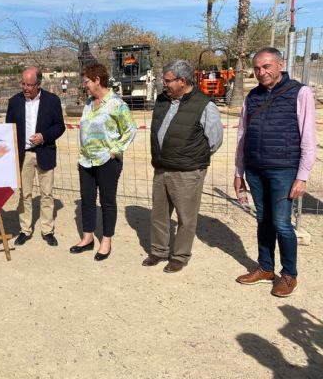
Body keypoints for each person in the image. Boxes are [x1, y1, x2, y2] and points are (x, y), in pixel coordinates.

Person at [234, 47, 316, 297]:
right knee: (263, 221)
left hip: (284, 170)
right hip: (255, 169)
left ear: (280, 65)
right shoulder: (252, 97)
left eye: (267, 66)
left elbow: (308, 139)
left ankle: (289, 275)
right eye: (257, 68)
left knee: (281, 223)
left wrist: (302, 176)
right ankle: (265, 268)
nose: (261, 72)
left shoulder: (300, 92)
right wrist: (239, 171)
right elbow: (241, 136)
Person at [142, 59, 223, 273]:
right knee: (159, 214)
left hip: (187, 172)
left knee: (186, 217)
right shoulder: (162, 100)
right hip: (161, 168)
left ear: (182, 81)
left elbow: (215, 140)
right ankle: (158, 251)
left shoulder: (205, 105)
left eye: (168, 81)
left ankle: (180, 255)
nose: (164, 84)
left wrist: (191, 158)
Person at [69, 63, 137, 260]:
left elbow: (130, 129)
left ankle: (106, 240)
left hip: (107, 161)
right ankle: (87, 237)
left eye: (87, 82)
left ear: (98, 80)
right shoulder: (89, 104)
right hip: (86, 161)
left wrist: (115, 151)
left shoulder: (116, 104)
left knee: (107, 201)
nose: (85, 86)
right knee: (87, 200)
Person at [6, 66, 65, 247]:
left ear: (38, 84)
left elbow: (59, 126)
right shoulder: (14, 101)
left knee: (47, 194)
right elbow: (9, 128)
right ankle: (25, 230)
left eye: (29, 85)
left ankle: (47, 230)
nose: (25, 88)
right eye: (23, 83)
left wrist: (44, 137)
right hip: (24, 156)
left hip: (45, 152)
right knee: (25, 194)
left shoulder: (52, 100)